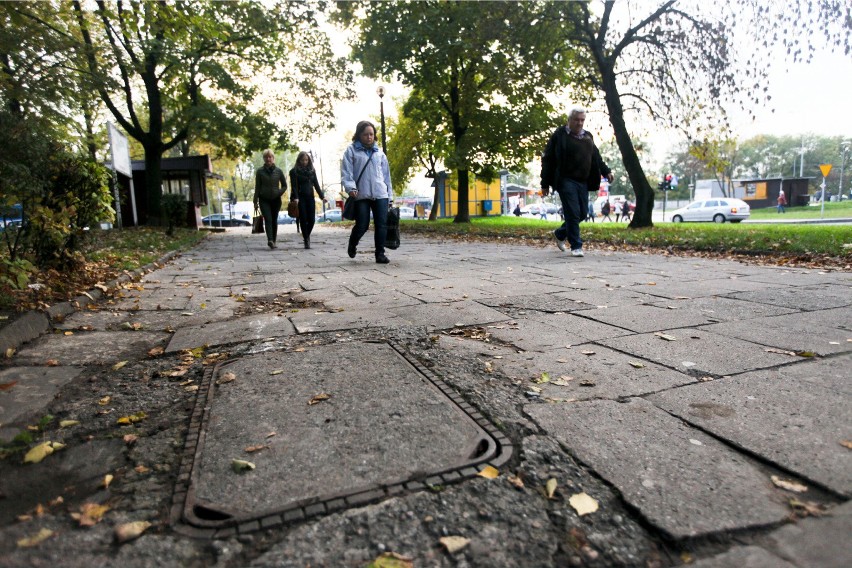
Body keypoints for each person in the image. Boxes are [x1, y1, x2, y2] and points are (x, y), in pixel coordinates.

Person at [541, 106, 613, 257]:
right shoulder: (560, 135)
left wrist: (606, 171)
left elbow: (596, 157)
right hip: (566, 180)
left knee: (582, 213)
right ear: (569, 120)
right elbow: (548, 159)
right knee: (572, 212)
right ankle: (576, 246)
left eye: (582, 120)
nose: (580, 123)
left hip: (583, 181)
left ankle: (560, 233)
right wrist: (545, 183)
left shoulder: (588, 137)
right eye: (576, 120)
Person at [342, 120, 393, 264]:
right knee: (362, 224)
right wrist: (350, 188)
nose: (369, 137)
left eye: (371, 134)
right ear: (359, 135)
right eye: (366, 134)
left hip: (380, 193)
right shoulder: (351, 151)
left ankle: (380, 254)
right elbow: (347, 172)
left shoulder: (379, 153)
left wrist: (390, 196)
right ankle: (353, 243)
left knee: (381, 224)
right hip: (361, 194)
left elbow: (386, 176)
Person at [289, 151, 327, 249]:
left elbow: (316, 184)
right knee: (303, 218)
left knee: (312, 220)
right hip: (300, 198)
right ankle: (306, 239)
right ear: (299, 160)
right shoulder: (294, 171)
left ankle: (306, 235)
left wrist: (322, 196)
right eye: (302, 160)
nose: (304, 162)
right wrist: (296, 197)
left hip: (310, 197)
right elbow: (294, 186)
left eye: (306, 160)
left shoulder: (312, 171)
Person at [254, 149, 287, 249]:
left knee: (274, 220)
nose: (268, 159)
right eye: (266, 157)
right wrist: (255, 202)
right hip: (264, 199)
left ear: (273, 158)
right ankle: (270, 240)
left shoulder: (279, 171)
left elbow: (285, 186)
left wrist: (278, 192)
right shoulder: (260, 172)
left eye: (270, 157)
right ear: (264, 159)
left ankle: (274, 240)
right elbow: (257, 187)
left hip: (276, 200)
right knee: (268, 219)